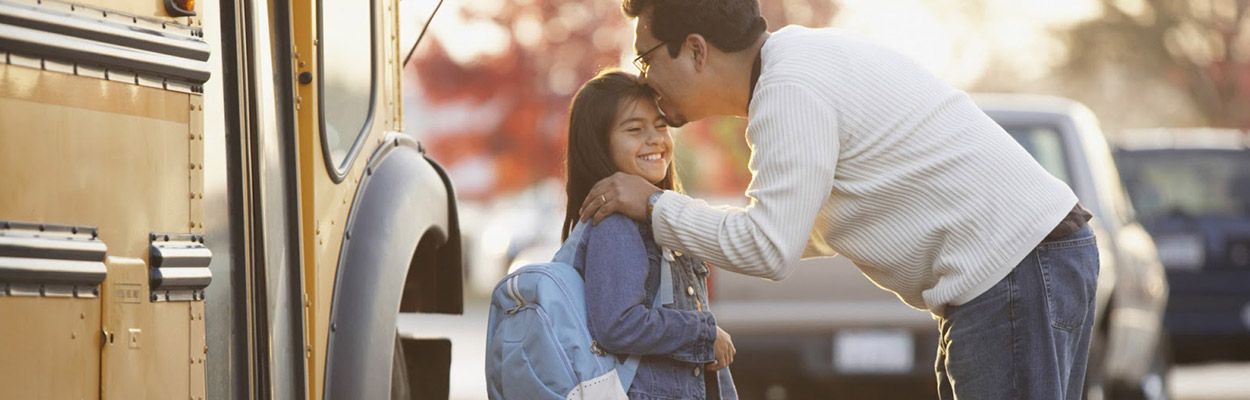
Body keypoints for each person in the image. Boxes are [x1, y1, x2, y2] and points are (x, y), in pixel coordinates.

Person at [577, 0, 1099, 398]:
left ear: (695, 49)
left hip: (1014, 269)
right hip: (1026, 263)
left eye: (644, 58)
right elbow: (787, 229)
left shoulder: (789, 90)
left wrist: (652, 206)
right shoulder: (797, 62)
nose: (644, 78)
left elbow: (770, 249)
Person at [563, 69, 738, 399]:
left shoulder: (660, 218)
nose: (656, 138)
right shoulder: (615, 224)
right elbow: (619, 324)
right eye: (634, 129)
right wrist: (704, 332)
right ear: (598, 145)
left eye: (661, 126)